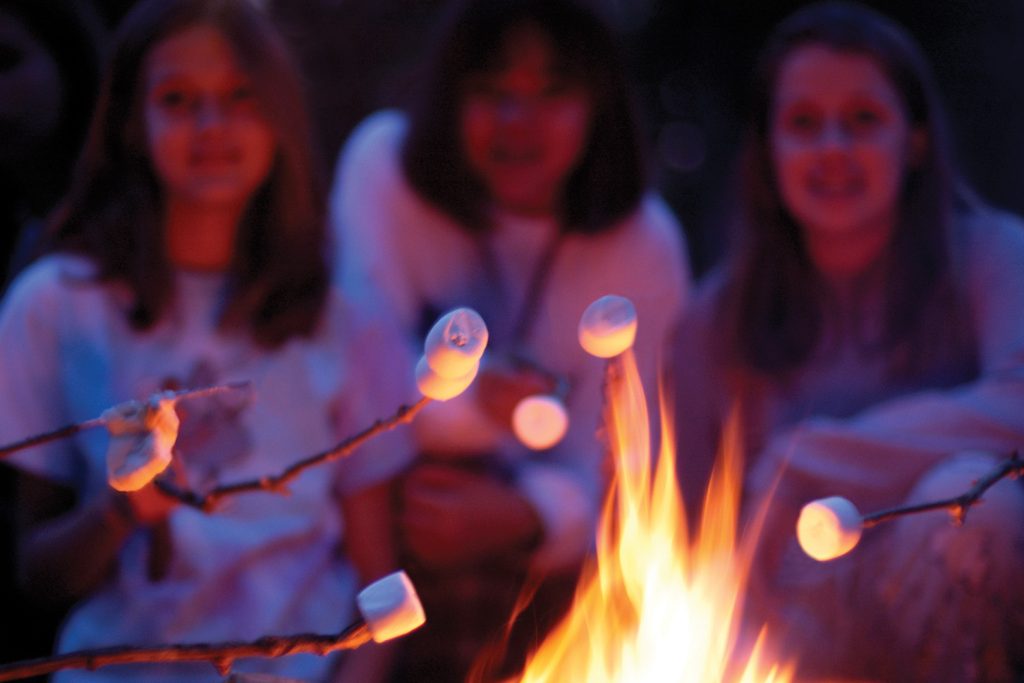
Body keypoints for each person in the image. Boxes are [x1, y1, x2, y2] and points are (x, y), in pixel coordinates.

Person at [0, 1, 413, 681]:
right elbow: (37, 574)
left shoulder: (346, 315)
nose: (211, 125)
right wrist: (122, 508)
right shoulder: (56, 307)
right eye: (178, 99)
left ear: (279, 113)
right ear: (132, 121)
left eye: (240, 97)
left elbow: (382, 586)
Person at [330, 0, 691, 678]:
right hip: (380, 527)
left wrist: (527, 513)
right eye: (491, 92)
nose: (517, 122)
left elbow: (630, 483)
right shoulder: (384, 174)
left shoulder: (644, 248)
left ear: (599, 102)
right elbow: (354, 385)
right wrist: (471, 402)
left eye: (552, 92)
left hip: (548, 576)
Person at [671, 2, 1024, 681]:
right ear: (768, 151)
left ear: (914, 139)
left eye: (864, 119)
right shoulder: (715, 319)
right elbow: (675, 530)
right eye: (804, 124)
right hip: (787, 634)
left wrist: (809, 458)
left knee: (975, 505)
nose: (833, 147)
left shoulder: (993, 256)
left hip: (952, 610)